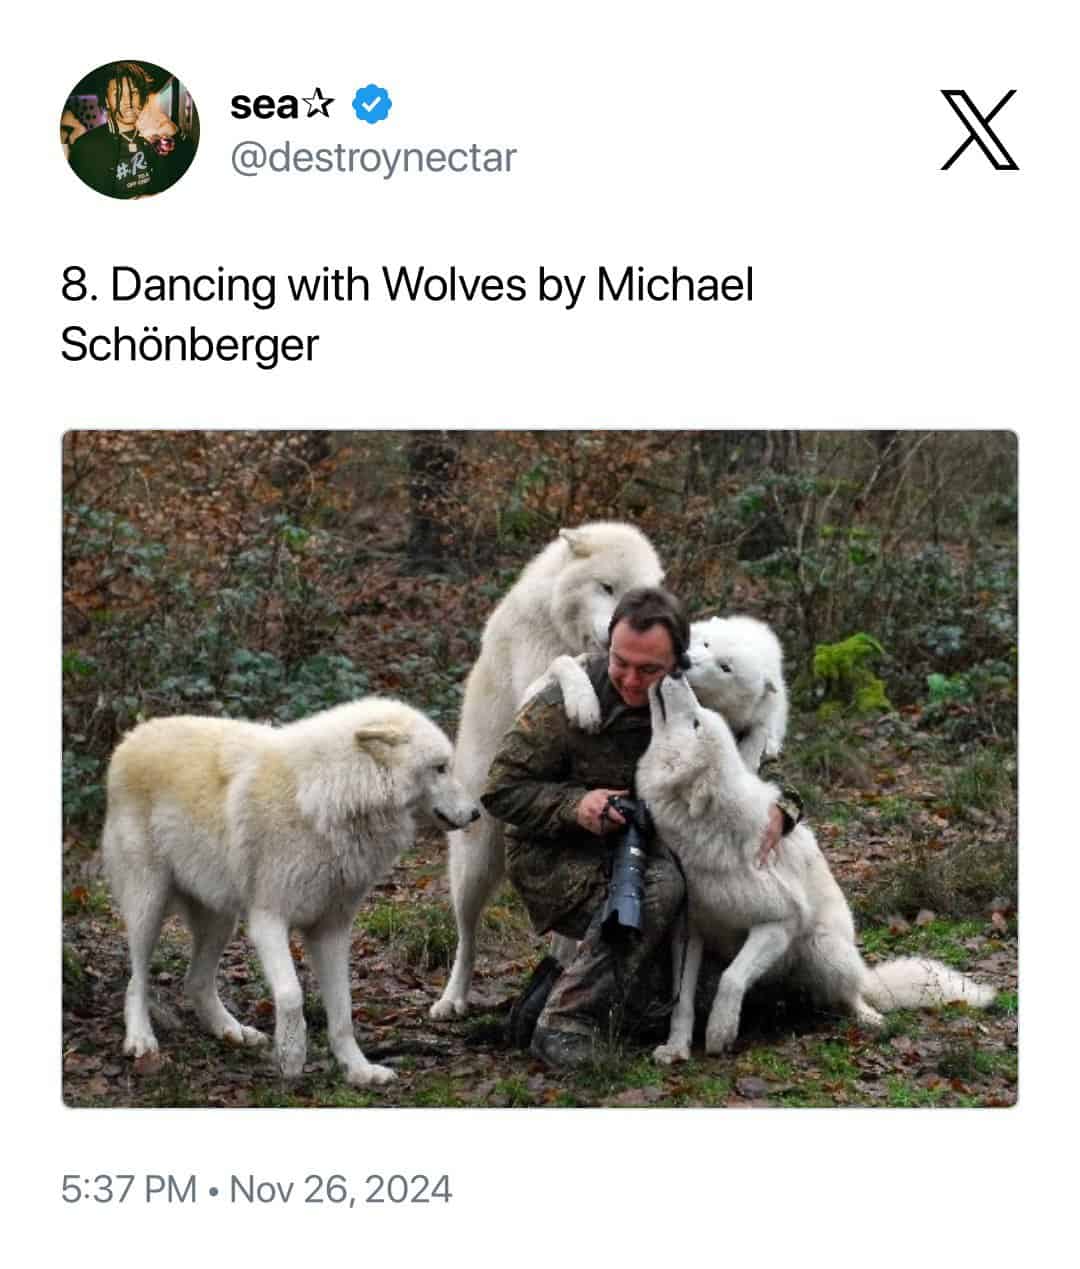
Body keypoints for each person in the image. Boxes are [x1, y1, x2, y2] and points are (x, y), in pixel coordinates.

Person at [482, 586, 802, 1069]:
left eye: (649, 669)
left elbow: (760, 761)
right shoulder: (565, 698)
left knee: (718, 995)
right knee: (660, 889)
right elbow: (501, 790)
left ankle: (547, 993)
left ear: (678, 661)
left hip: (648, 847)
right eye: (620, 663)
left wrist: (784, 809)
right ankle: (564, 1023)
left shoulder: (692, 700)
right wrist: (575, 804)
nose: (631, 681)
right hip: (557, 854)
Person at [67, 62, 195, 198]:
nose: (128, 101)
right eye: (118, 94)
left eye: (134, 92)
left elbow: (183, 168)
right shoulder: (85, 147)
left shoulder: (155, 135)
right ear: (107, 101)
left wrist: (176, 132)